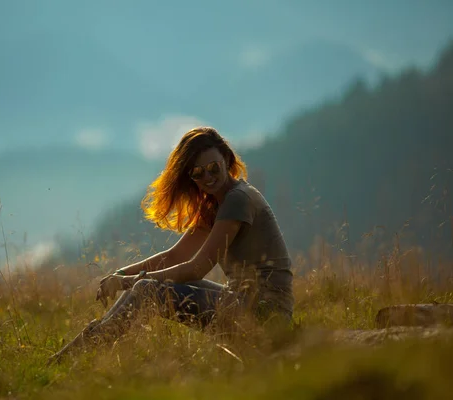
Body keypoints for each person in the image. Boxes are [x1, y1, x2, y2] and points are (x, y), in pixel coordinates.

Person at [47, 127, 294, 365]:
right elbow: (176, 255)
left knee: (147, 290)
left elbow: (197, 269)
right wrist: (121, 274)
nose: (207, 177)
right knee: (146, 286)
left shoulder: (238, 199)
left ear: (227, 159)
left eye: (213, 167)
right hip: (243, 304)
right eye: (197, 173)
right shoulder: (217, 204)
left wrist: (127, 282)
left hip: (264, 315)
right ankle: (85, 345)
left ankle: (82, 350)